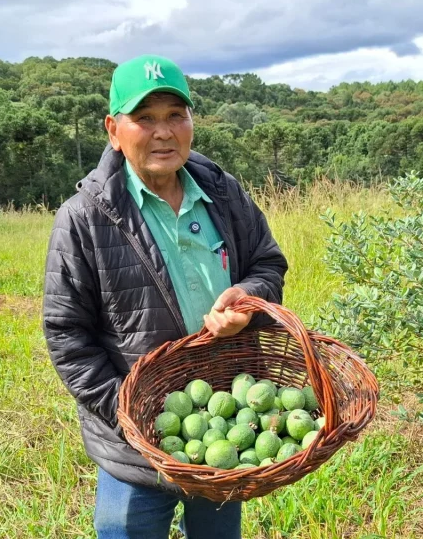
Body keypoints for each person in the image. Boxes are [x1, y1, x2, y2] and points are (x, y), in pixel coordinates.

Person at [41, 54, 288, 539]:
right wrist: (130, 415)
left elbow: (267, 263)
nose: (164, 132)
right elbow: (67, 335)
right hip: (133, 448)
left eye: (176, 115)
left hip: (224, 421)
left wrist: (248, 300)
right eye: (145, 118)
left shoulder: (222, 191)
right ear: (114, 130)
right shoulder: (85, 218)